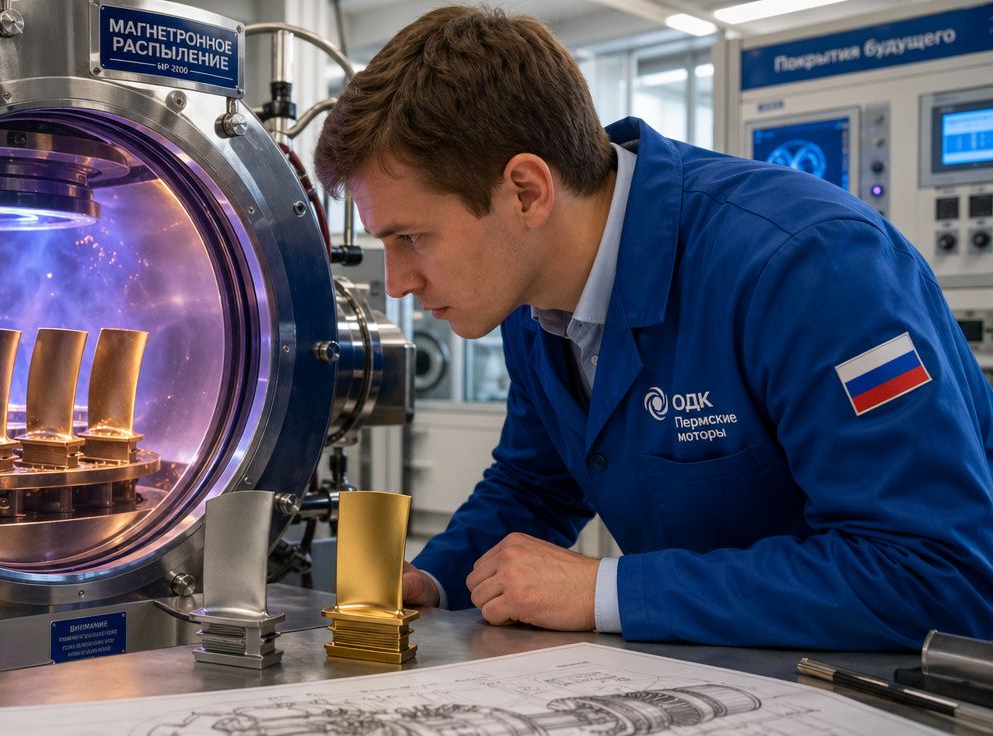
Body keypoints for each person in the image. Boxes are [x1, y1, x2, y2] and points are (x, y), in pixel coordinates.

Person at [313, 5, 993, 650]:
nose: (397, 283)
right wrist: (435, 581)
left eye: (411, 238)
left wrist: (607, 591)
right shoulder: (530, 299)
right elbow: (535, 485)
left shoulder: (811, 267)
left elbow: (934, 573)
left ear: (526, 191)